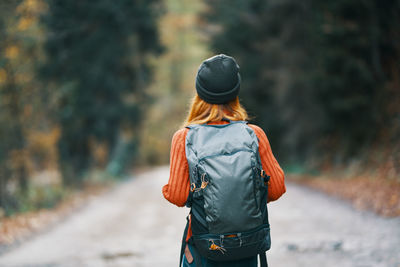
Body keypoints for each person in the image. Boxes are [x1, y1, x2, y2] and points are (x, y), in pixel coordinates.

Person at [162, 54, 286, 267]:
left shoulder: (185, 138)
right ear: (235, 93)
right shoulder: (254, 135)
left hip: (204, 248)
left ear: (199, 94)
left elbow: (176, 196)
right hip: (246, 246)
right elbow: (276, 188)